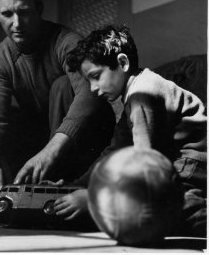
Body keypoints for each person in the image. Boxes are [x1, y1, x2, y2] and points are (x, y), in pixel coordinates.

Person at [0, 0, 115, 208]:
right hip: (46, 137)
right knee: (14, 120)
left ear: (39, 7)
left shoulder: (68, 42)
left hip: (90, 136)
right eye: (7, 14)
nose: (16, 23)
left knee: (62, 86)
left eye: (24, 12)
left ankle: (71, 189)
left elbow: (90, 94)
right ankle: (26, 196)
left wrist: (50, 151)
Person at [54, 25, 207, 237]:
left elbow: (143, 165)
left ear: (122, 63)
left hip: (192, 164)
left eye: (96, 76)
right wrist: (75, 185)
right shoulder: (136, 89)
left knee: (169, 212)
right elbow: (116, 150)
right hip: (180, 162)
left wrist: (91, 197)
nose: (93, 88)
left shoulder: (141, 94)